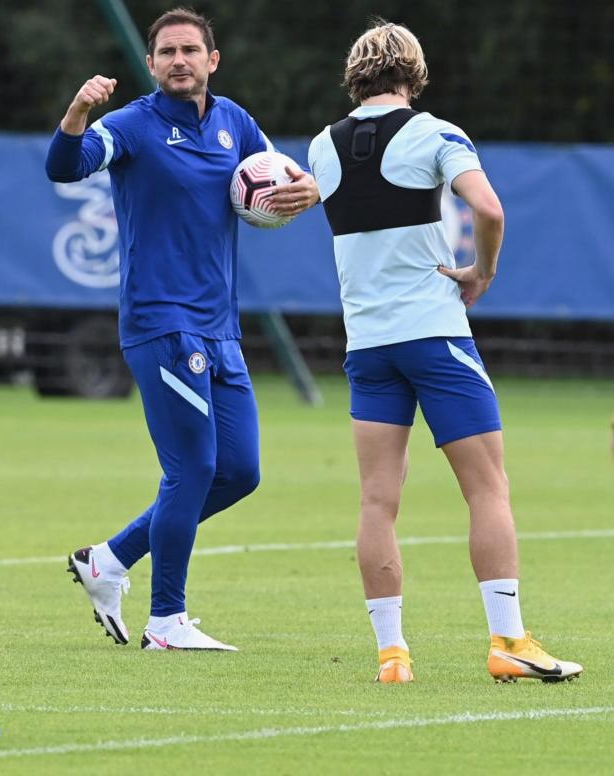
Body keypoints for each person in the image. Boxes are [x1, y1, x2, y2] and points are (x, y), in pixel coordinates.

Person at [307, 21, 582, 683]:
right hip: (434, 334)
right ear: (415, 73)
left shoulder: (322, 145)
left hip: (367, 345)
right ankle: (508, 641)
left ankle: (392, 655)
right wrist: (482, 270)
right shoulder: (433, 132)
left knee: (377, 501)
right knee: (488, 488)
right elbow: (488, 210)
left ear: (354, 75)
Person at [46, 8, 318, 651]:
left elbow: (282, 176)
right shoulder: (133, 125)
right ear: (151, 63)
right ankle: (166, 620)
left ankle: (107, 561)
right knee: (191, 468)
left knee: (239, 472)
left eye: (190, 49)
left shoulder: (235, 123)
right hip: (161, 322)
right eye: (166, 51)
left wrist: (306, 190)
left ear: (211, 60)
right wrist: (77, 113)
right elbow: (66, 165)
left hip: (220, 328)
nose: (178, 60)